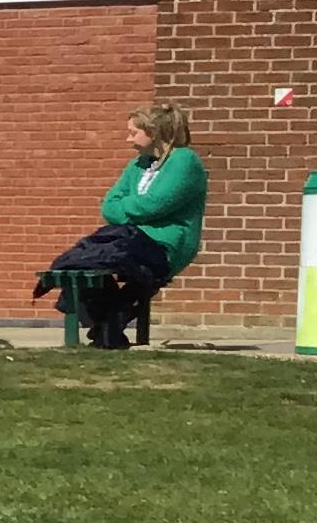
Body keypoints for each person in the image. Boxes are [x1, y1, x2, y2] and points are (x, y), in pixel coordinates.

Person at [49, 105, 207, 350]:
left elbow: (155, 205)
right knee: (77, 260)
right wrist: (134, 211)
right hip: (131, 238)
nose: (128, 139)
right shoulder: (139, 164)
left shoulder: (184, 161)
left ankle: (109, 321)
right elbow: (109, 206)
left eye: (133, 133)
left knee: (100, 254)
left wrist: (127, 210)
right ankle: (109, 321)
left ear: (153, 132)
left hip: (165, 244)